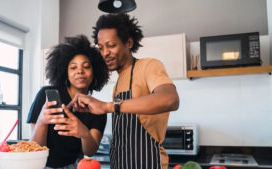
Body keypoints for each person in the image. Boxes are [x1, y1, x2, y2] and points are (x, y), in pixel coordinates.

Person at [69, 14, 180, 169]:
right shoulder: (118, 82)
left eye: (111, 45)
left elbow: (170, 99)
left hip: (147, 163)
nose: (105, 53)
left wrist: (108, 106)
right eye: (101, 48)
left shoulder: (149, 66)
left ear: (128, 42)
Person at [26, 35, 109, 169]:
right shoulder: (46, 95)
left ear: (95, 72)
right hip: (40, 165)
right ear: (65, 72)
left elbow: (90, 151)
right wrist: (42, 120)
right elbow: (35, 148)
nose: (80, 71)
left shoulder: (98, 108)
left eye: (86, 66)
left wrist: (84, 133)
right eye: (73, 67)